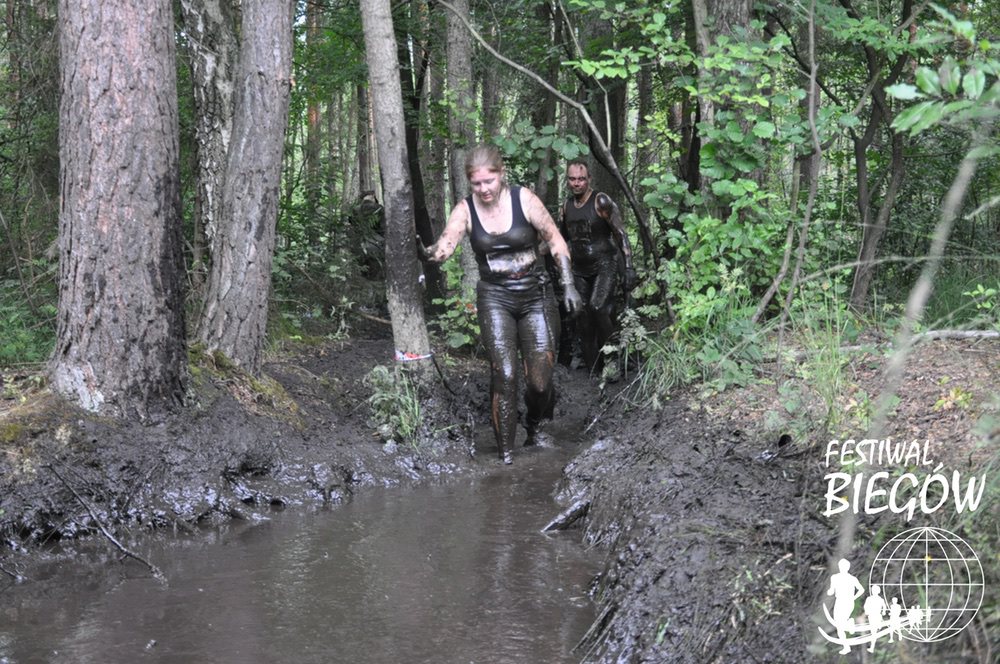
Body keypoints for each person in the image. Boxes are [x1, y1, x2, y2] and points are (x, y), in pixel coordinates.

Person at [421, 145, 583, 464]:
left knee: (539, 382)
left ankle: (535, 427)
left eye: (489, 181)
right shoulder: (465, 209)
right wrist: (427, 253)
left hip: (535, 294)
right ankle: (505, 456)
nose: (483, 189)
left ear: (501, 175)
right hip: (495, 297)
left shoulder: (524, 199)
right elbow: (446, 245)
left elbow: (555, 240)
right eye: (476, 184)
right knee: (505, 374)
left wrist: (568, 284)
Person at [560, 159, 636, 372]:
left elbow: (620, 234)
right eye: (572, 179)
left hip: (605, 264)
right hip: (579, 268)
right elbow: (561, 239)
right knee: (582, 315)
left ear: (589, 179)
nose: (577, 183)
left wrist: (628, 267)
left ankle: (614, 358)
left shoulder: (600, 201)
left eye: (581, 179)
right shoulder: (566, 206)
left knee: (598, 307)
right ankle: (593, 369)